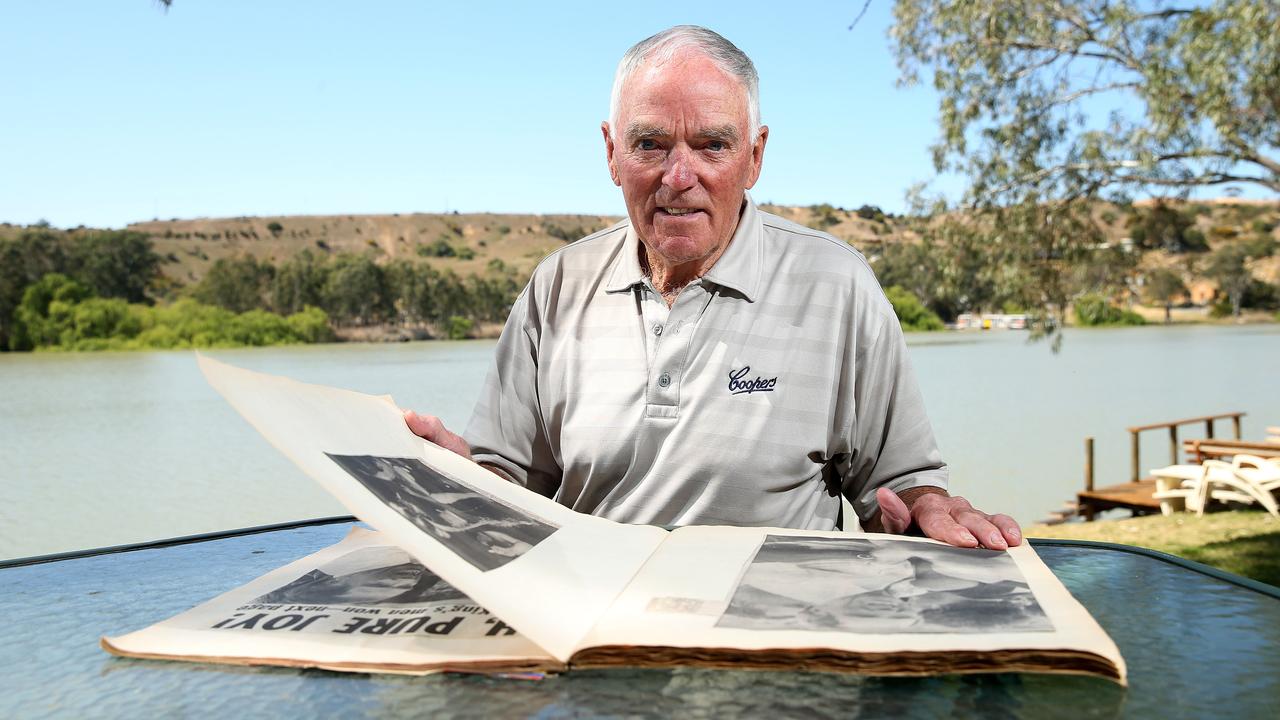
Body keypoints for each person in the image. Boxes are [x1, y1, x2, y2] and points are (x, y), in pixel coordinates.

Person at [404, 25, 1021, 551]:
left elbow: (899, 483)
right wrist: (461, 477)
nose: (679, 176)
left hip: (770, 658)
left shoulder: (837, 286)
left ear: (754, 157)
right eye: (649, 144)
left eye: (712, 145)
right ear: (611, 153)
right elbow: (508, 487)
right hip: (597, 662)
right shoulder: (557, 285)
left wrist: (927, 510)